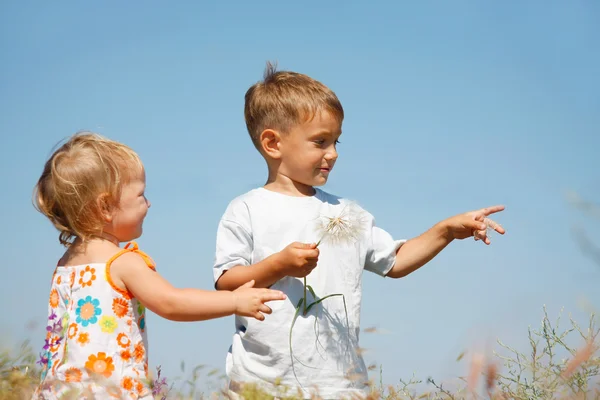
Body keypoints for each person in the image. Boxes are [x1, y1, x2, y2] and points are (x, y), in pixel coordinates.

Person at [213, 63, 505, 399]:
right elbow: (227, 283)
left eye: (336, 141)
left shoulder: (346, 214)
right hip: (262, 382)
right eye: (320, 141)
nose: (333, 153)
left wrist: (446, 230)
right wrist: (278, 265)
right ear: (272, 143)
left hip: (341, 383)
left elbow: (394, 261)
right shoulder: (247, 210)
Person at [32, 132, 286, 399]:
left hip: (59, 392)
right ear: (105, 206)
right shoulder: (121, 263)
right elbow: (172, 302)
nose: (149, 203)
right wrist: (234, 301)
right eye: (141, 194)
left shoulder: (65, 265)